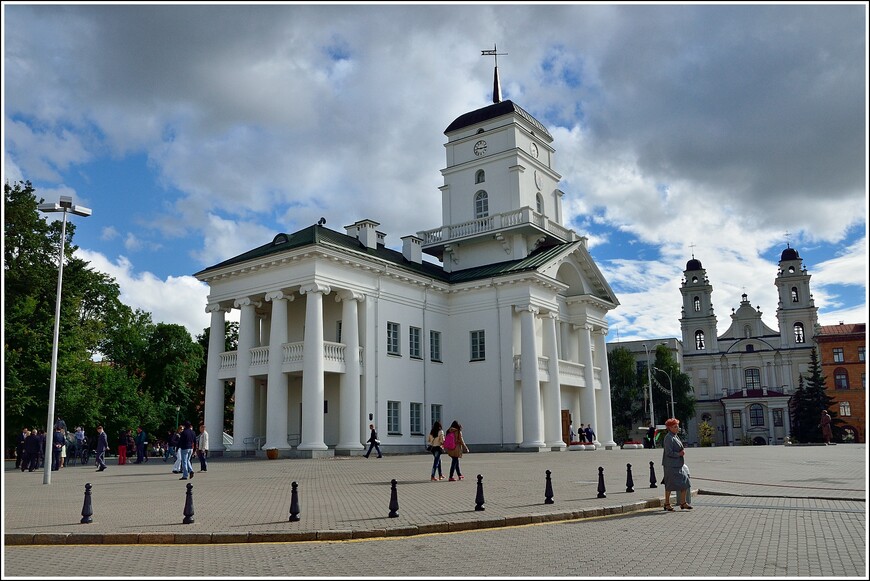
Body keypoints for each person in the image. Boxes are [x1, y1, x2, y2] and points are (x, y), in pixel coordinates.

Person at [661, 418, 691, 511]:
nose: (677, 428)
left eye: (677, 426)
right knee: (669, 485)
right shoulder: (668, 438)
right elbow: (669, 452)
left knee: (685, 482)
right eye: (675, 426)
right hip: (670, 465)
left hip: (678, 465)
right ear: (669, 428)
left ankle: (683, 502)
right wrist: (679, 454)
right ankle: (667, 503)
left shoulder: (675, 436)